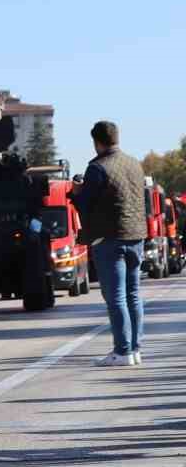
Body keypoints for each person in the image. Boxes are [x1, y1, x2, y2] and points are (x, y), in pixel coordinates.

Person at [72, 120, 147, 367]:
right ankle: (135, 349)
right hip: (136, 235)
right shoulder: (135, 164)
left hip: (109, 238)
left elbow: (86, 204)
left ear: (97, 142)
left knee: (116, 297)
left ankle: (122, 351)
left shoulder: (98, 168)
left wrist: (76, 192)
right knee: (133, 295)